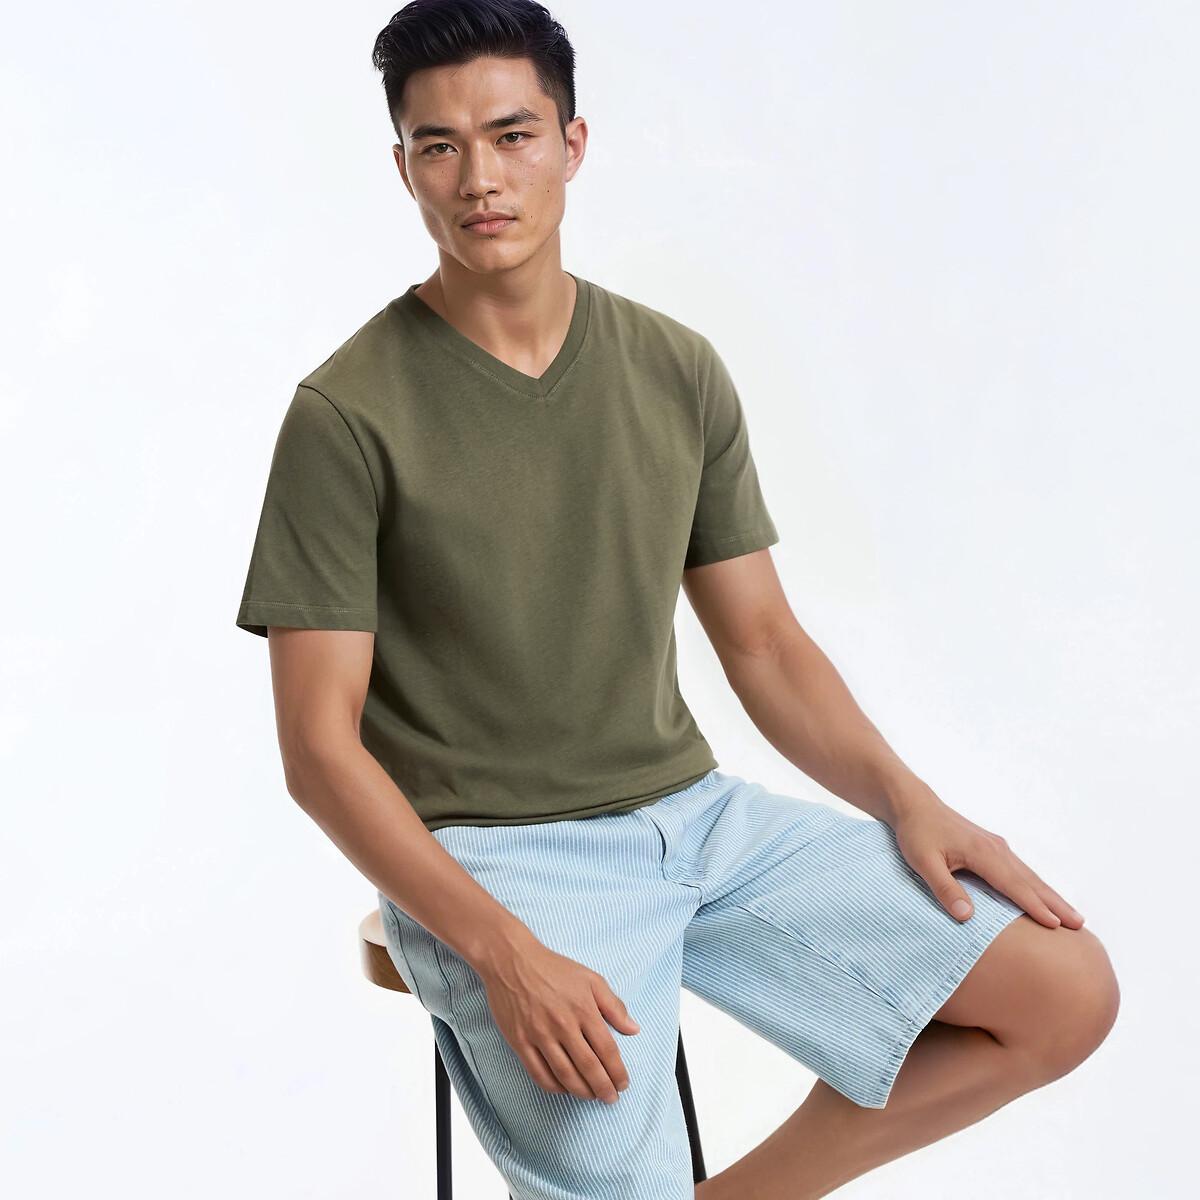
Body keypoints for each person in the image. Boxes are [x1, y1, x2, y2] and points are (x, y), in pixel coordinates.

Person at [234, 3, 1120, 1196]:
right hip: (495, 857)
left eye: (513, 135)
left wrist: (910, 802)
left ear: (572, 143)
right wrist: (500, 950)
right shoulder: (345, 415)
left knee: (1064, 991)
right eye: (440, 146)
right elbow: (318, 750)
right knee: (607, 1159)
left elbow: (764, 642)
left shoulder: (674, 367)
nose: (480, 178)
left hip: (696, 821)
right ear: (404, 169)